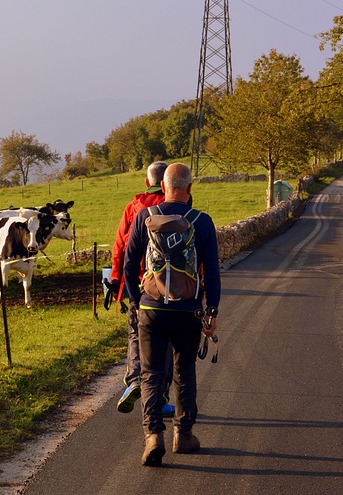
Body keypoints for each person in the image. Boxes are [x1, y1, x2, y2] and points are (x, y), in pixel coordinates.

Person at [122, 162, 220, 466]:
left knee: (151, 374)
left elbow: (129, 264)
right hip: (188, 310)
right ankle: (184, 435)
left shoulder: (143, 217)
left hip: (150, 308)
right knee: (184, 371)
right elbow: (212, 272)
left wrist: (135, 301)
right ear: (189, 189)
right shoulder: (202, 221)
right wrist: (211, 311)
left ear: (162, 186)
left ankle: (153, 436)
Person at [108, 160, 169, 414]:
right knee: (165, 341)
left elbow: (120, 248)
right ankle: (160, 398)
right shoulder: (175, 206)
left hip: (138, 285)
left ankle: (134, 381)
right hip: (168, 287)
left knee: (136, 334)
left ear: (147, 182)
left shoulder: (133, 208)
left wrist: (116, 283)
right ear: (167, 183)